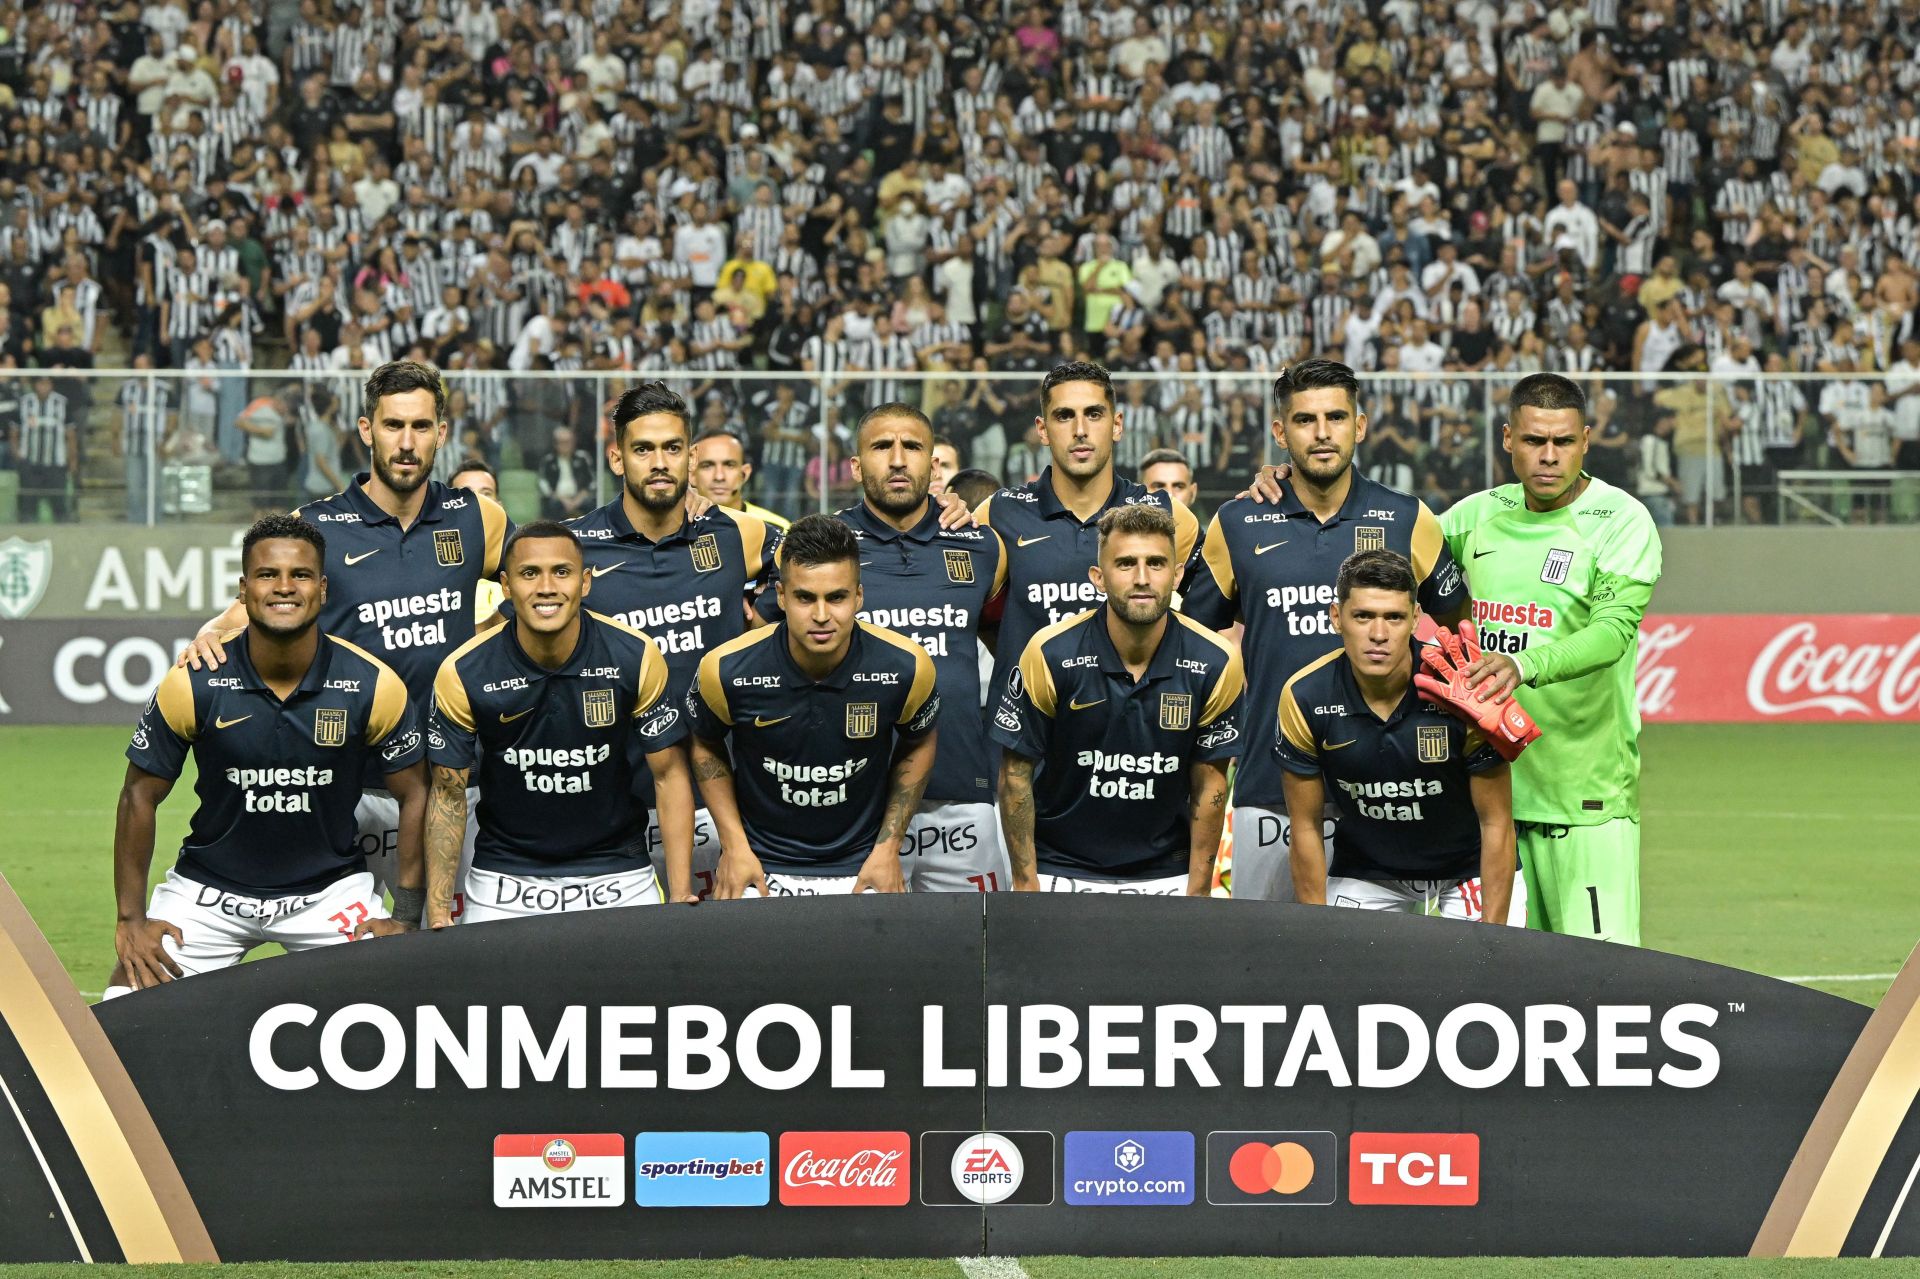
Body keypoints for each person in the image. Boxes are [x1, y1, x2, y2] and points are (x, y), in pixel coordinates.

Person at [178, 359, 511, 919]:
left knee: (450, 952)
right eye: (392, 426)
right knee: (335, 958)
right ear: (366, 430)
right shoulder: (317, 526)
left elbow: (552, 574)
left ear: (442, 434)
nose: (407, 443)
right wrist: (210, 632)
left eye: (421, 427)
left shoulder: (479, 518)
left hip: (455, 788)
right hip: (345, 789)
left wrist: (687, 508)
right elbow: (262, 602)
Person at [107, 516, 426, 995]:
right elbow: (138, 796)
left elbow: (417, 794)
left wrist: (403, 915)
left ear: (322, 589)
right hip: (209, 893)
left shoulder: (372, 685)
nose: (284, 587)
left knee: (398, 1001)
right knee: (122, 1005)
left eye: (300, 575)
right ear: (242, 590)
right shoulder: (193, 682)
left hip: (328, 893)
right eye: (266, 575)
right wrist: (131, 917)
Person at [1193, 359, 1472, 902]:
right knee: (1266, 971)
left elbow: (1463, 629)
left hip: (1389, 793)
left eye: (1336, 418)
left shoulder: (1405, 518)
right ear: (1280, 432)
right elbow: (1192, 644)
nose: (1322, 433)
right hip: (1269, 787)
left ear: (1360, 426)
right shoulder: (1236, 523)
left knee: (1380, 976)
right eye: (1304, 420)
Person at [1436, 372, 1663, 943]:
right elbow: (1391, 562)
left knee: (1602, 983)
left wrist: (1522, 665)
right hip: (1486, 799)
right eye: (1535, 441)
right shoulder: (1474, 516)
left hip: (1583, 798)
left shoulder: (1623, 521)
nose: (1549, 456)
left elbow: (1612, 633)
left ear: (1586, 441)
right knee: (1490, 986)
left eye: (1563, 442)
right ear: (1508, 438)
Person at [758, 403, 1011, 891]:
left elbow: (1007, 651)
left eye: (912, 447)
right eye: (881, 447)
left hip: (963, 803)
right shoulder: (819, 549)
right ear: (855, 466)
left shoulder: (982, 546)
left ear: (934, 465)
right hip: (852, 810)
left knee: (969, 962)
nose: (898, 460)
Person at [562, 382, 781, 898]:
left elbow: (816, 558)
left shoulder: (734, 533)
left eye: (672, 448)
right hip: (616, 816)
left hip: (726, 808)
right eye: (643, 449)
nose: (659, 462)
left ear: (691, 455)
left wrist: (764, 620)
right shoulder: (576, 545)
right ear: (617, 459)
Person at [424, 521, 696, 924]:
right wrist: (439, 908)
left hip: (618, 870)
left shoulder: (635, 655)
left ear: (585, 582)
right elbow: (448, 795)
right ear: (506, 585)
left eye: (562, 572)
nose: (547, 587)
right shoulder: (463, 669)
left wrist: (680, 893)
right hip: (505, 876)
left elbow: (669, 775)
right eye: (530, 573)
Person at [989, 504, 1242, 894]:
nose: (1142, 578)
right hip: (1060, 869)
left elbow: (1210, 786)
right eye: (1125, 564)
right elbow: (1015, 774)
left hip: (1167, 874)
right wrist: (1026, 882)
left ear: (1176, 576)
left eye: (1156, 563)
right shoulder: (1049, 652)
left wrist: (1198, 889)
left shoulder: (1216, 660)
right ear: (1098, 578)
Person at [689, 515, 940, 897]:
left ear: (858, 596)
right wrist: (735, 846)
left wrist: (888, 847)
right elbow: (704, 742)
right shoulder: (724, 669)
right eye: (805, 597)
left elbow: (919, 741)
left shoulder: (906, 665)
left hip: (863, 865)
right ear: (781, 596)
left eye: (836, 597)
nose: (821, 616)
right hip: (760, 863)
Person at [1277, 550, 1517, 924]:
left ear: (1416, 619)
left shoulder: (1462, 688)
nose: (1378, 634)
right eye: (1363, 616)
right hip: (1368, 872)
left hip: (1466, 870)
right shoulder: (1305, 695)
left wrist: (1495, 936)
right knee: (1352, 980)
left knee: (1486, 977)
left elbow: (1496, 821)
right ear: (1336, 617)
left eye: (1394, 617)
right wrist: (1317, 931)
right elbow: (1306, 825)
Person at [975, 360, 1199, 712]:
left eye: (1094, 414)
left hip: (1136, 733)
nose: (1080, 430)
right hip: (1028, 734)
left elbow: (1212, 614)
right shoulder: (998, 513)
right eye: (1064, 416)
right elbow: (968, 617)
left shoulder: (1168, 515)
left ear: (1117, 425)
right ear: (1043, 429)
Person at [691, 427, 792, 529]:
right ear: (691, 475)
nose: (719, 476)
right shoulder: (677, 529)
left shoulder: (777, 529)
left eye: (729, 465)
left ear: (744, 474)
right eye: (707, 466)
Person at [449, 458, 507, 621]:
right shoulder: (427, 563)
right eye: (466, 494)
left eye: (486, 494)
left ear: (499, 505)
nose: (478, 502)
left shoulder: (519, 559)